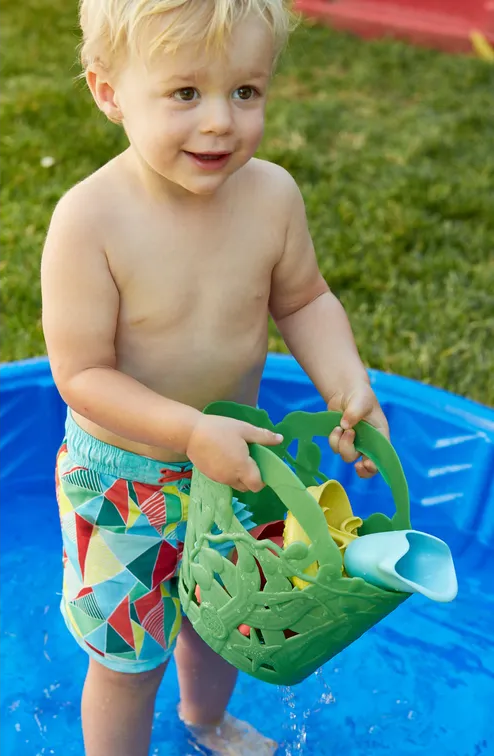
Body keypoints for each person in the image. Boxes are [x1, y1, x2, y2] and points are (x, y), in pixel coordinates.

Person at [41, 1, 390, 754]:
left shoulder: (272, 198)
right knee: (127, 660)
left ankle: (206, 723)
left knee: (223, 620)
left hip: (234, 466)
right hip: (125, 483)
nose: (220, 123)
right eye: (185, 94)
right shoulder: (90, 222)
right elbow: (81, 373)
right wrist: (189, 431)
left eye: (245, 92)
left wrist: (346, 381)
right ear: (108, 93)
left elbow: (305, 299)